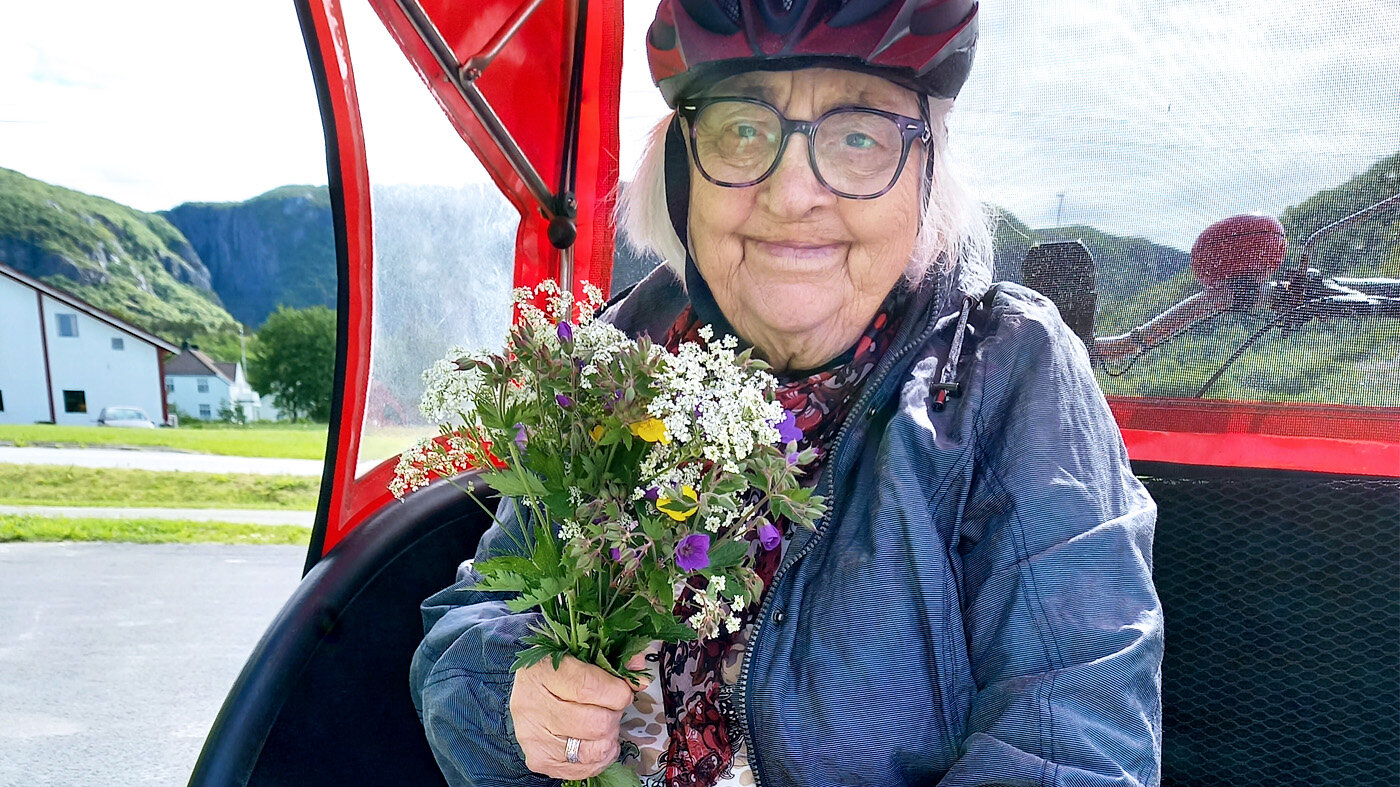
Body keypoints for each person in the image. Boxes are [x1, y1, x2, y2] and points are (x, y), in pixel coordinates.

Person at [410, 1, 1164, 785]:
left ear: (926, 175)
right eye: (743, 130)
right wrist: (515, 697)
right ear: (679, 171)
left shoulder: (1007, 371)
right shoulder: (622, 355)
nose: (792, 191)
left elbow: (1074, 741)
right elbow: (468, 626)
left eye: (859, 137)